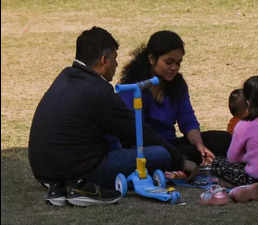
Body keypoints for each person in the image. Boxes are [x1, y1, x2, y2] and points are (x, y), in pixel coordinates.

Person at [28, 26, 195, 207]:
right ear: (103, 60)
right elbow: (136, 131)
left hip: (42, 170)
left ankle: (63, 185)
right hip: (83, 169)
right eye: (114, 59)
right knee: (161, 154)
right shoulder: (99, 91)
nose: (116, 65)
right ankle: (80, 185)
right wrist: (181, 161)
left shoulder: (64, 77)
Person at [118, 30, 231, 167]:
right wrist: (175, 154)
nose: (174, 68)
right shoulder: (134, 87)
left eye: (178, 63)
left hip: (172, 144)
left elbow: (187, 119)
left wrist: (199, 145)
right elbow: (139, 133)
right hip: (147, 148)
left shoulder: (177, 84)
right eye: (168, 62)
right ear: (152, 58)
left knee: (224, 139)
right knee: (162, 155)